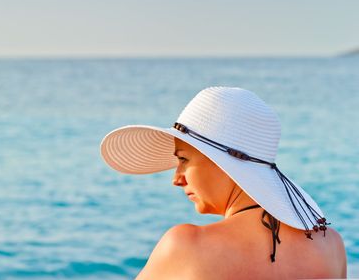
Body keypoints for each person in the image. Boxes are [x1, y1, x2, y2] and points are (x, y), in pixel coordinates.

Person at [100, 87, 347, 279]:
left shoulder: (187, 246)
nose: (176, 179)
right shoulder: (330, 245)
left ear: (223, 163)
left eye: (184, 160)